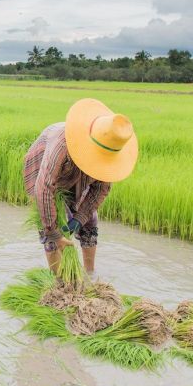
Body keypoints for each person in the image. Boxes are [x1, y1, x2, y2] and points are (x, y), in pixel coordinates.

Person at [24, 98, 138, 276]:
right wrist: (55, 234)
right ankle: (58, 281)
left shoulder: (109, 151)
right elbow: (45, 188)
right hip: (46, 170)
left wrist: (79, 218)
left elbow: (101, 190)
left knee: (89, 219)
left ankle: (89, 275)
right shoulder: (62, 144)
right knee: (55, 222)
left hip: (77, 175)